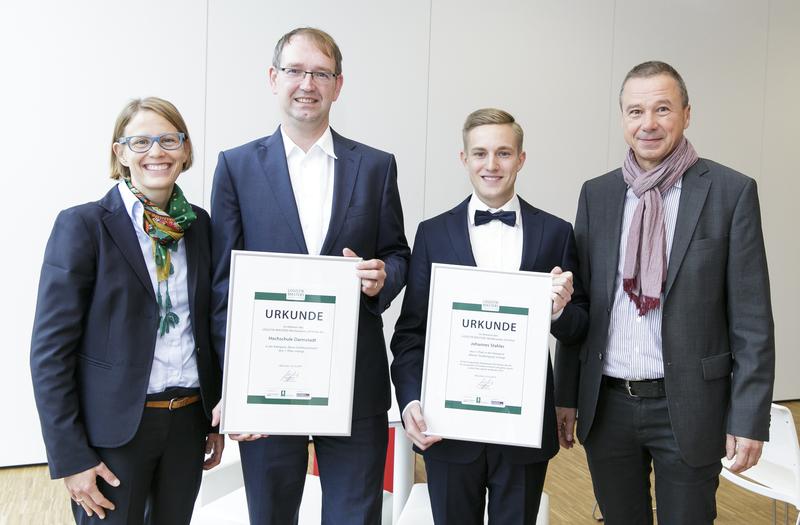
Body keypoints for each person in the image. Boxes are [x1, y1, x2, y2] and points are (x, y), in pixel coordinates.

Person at [554, 61, 775, 524]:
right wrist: (567, 395)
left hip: (691, 408)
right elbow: (583, 305)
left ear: (687, 114)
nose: (648, 124)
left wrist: (749, 418)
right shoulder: (598, 194)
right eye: (635, 111)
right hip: (608, 406)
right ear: (622, 118)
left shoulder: (730, 193)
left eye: (662, 109)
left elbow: (752, 321)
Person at [209, 27, 410, 524]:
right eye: (296, 71)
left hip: (355, 386)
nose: (307, 84)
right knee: (272, 515)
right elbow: (221, 287)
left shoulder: (377, 166)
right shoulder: (235, 167)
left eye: (320, 73)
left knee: (355, 516)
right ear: (274, 78)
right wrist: (233, 389)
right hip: (268, 386)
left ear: (338, 85)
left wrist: (382, 278)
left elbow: (398, 254)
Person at [30, 97, 224, 525]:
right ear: (119, 152)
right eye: (141, 141)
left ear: (186, 150)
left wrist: (215, 419)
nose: (156, 152)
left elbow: (209, 326)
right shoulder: (83, 226)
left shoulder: (201, 227)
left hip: (187, 423)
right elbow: (50, 353)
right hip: (114, 435)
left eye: (169, 140)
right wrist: (71, 456)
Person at [390, 108, 588, 524]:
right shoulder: (432, 233)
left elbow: (579, 328)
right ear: (464, 159)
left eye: (503, 153)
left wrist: (558, 312)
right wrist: (409, 400)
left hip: (523, 433)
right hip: (448, 431)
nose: (491, 165)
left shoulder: (556, 233)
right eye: (480, 153)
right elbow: (411, 334)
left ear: (521, 158)